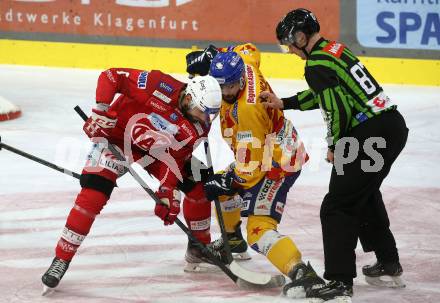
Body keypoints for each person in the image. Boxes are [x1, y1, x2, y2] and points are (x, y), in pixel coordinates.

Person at [260, 8, 409, 300]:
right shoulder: (333, 50)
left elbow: (335, 108)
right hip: (391, 126)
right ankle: (389, 263)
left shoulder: (315, 63)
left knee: (337, 205)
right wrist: (284, 102)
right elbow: (328, 94)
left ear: (300, 37)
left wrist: (335, 145)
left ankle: (340, 283)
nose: (290, 51)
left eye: (288, 44)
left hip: (370, 134)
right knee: (363, 193)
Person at [41, 68, 224, 293]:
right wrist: (101, 111)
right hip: (115, 138)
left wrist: (167, 192)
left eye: (211, 114)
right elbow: (111, 76)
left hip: (156, 153)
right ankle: (62, 258)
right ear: (188, 98)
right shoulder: (159, 84)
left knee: (201, 184)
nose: (206, 119)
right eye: (203, 111)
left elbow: (174, 159)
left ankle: (199, 248)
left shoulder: (199, 125)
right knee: (94, 193)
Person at [187, 43, 329, 299]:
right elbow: (248, 48)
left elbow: (249, 170)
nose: (224, 92)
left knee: (259, 227)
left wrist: (230, 181)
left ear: (240, 80)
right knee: (221, 187)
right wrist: (212, 54)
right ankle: (232, 241)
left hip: (276, 163)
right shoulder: (244, 65)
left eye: (229, 86)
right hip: (270, 147)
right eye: (218, 86)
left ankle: (302, 274)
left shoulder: (248, 112)